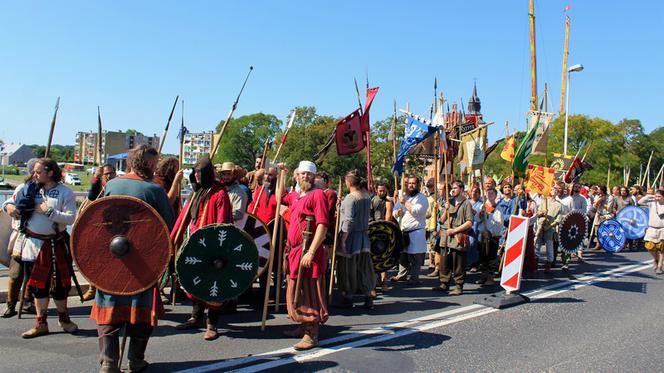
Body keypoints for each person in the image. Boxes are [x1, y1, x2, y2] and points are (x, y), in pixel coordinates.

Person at [91, 145, 175, 372]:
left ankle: (108, 363)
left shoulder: (112, 185)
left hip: (110, 261)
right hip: (142, 263)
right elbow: (167, 227)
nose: (156, 167)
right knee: (141, 313)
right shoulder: (155, 191)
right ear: (147, 164)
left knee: (109, 309)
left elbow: (96, 222)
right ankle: (135, 360)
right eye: (154, 163)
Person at [3, 158, 78, 339]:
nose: (34, 174)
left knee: (60, 286)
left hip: (55, 245)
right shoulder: (27, 187)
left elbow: (70, 218)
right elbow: (7, 204)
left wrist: (48, 211)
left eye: (38, 172)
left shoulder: (65, 193)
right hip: (31, 246)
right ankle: (40, 323)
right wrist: (10, 207)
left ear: (50, 172)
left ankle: (64, 319)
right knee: (37, 288)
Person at [173, 156, 233, 341]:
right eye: (195, 172)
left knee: (212, 284)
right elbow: (184, 218)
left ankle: (212, 324)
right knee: (195, 280)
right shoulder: (196, 192)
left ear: (207, 173)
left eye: (200, 172)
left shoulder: (219, 193)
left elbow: (223, 222)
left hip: (212, 247)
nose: (197, 176)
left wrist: (218, 246)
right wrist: (173, 238)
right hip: (194, 244)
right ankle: (196, 317)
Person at [283, 160, 330, 350]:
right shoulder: (297, 196)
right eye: (302, 174)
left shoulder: (317, 195)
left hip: (308, 252)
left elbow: (322, 224)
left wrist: (311, 251)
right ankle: (303, 325)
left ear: (314, 176)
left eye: (309, 174)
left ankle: (312, 334)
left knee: (309, 292)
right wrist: (282, 175)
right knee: (297, 291)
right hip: (294, 251)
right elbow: (280, 197)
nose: (305, 177)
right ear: (298, 175)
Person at [1, 157, 38, 318]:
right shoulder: (22, 188)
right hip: (22, 236)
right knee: (16, 274)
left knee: (34, 273)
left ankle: (28, 301)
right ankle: (11, 304)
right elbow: (10, 202)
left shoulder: (50, 190)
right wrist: (8, 206)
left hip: (40, 238)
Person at [335, 170, 374, 309]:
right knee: (363, 267)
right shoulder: (366, 196)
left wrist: (343, 239)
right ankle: (368, 295)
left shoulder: (352, 198)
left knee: (347, 267)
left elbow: (349, 220)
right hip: (363, 235)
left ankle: (348, 296)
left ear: (349, 182)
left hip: (352, 236)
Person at [434, 180, 473, 295]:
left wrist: (455, 230)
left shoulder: (466, 203)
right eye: (452, 188)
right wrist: (445, 209)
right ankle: (444, 283)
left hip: (458, 235)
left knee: (458, 263)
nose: (453, 190)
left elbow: (469, 222)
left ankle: (458, 286)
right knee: (445, 262)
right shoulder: (449, 201)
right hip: (446, 236)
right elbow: (441, 221)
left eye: (455, 188)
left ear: (461, 189)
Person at [391, 175, 428, 284]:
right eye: (409, 183)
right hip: (404, 231)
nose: (411, 185)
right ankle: (401, 275)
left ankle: (414, 278)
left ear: (417, 185)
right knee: (403, 255)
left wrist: (404, 202)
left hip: (416, 232)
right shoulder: (404, 196)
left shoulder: (421, 198)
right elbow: (395, 210)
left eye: (413, 183)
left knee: (415, 257)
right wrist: (397, 212)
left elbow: (417, 211)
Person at [475, 187, 503, 285]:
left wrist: (490, 231)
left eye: (492, 193)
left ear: (495, 196)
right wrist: (481, 214)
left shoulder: (498, 208)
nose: (490, 195)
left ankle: (490, 277)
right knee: (483, 257)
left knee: (491, 257)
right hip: (483, 236)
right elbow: (477, 219)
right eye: (488, 193)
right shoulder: (483, 206)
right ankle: (483, 276)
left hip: (492, 237)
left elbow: (499, 223)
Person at [369, 181, 394, 292]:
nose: (382, 192)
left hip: (384, 232)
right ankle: (373, 284)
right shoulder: (372, 200)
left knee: (384, 258)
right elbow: (369, 215)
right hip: (373, 231)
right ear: (376, 190)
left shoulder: (388, 202)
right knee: (373, 259)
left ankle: (384, 282)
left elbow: (388, 217)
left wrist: (383, 229)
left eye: (384, 190)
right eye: (380, 190)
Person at [560, 182, 589, 267]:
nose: (577, 188)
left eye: (578, 187)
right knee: (566, 242)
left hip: (577, 223)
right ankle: (566, 262)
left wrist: (574, 212)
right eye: (575, 186)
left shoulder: (582, 199)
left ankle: (579, 254)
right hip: (567, 223)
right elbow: (561, 212)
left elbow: (584, 210)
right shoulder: (565, 200)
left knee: (576, 240)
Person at [537, 185, 563, 272]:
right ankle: (535, 262)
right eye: (552, 189)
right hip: (541, 225)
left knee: (549, 247)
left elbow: (558, 219)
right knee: (537, 245)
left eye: (556, 190)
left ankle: (549, 264)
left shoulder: (558, 205)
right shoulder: (544, 201)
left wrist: (549, 226)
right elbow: (538, 213)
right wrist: (542, 213)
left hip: (549, 228)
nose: (554, 191)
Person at [638, 190, 664, 274]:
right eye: (656, 196)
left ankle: (660, 266)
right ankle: (655, 259)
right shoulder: (652, 203)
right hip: (652, 228)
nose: (657, 198)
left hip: (662, 229)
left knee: (662, 249)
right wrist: (650, 196)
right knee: (650, 246)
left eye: (659, 196)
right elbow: (640, 202)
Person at [217, 162, 248, 229]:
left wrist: (220, 214)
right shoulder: (220, 191)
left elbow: (238, 214)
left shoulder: (239, 193)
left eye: (229, 174)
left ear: (234, 175)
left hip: (232, 229)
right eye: (224, 174)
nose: (226, 177)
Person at [589, 185, 616, 250]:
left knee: (607, 231)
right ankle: (598, 244)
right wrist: (598, 201)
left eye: (598, 189)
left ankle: (607, 244)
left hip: (606, 215)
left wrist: (602, 202)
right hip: (598, 214)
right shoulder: (597, 196)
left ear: (601, 190)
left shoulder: (610, 197)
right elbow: (594, 206)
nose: (597, 191)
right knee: (597, 231)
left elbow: (609, 208)